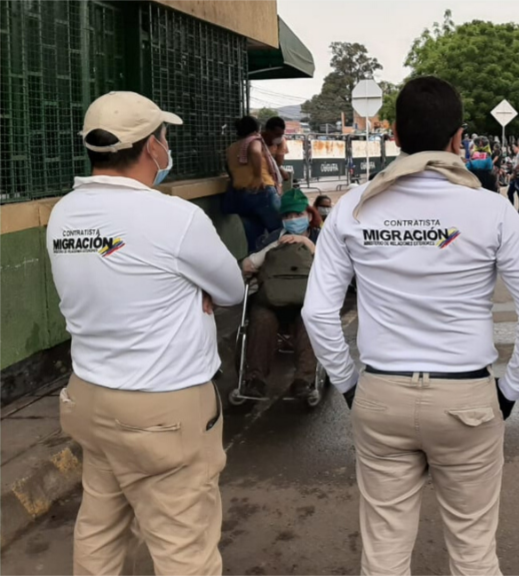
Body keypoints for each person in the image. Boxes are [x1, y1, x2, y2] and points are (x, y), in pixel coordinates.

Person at [303, 76, 519, 576]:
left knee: (384, 553)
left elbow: (317, 312)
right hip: (466, 398)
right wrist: (509, 390)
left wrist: (349, 385)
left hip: (381, 393)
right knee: (474, 552)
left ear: (395, 134)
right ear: (459, 139)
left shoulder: (354, 206)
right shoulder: (492, 209)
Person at [46, 91, 245, 575]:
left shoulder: (63, 215)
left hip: (91, 398)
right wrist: (193, 292)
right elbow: (233, 289)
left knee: (100, 527)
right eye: (163, 137)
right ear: (151, 148)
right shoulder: (175, 218)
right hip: (163, 410)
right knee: (184, 549)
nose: (165, 146)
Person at [240, 189, 320, 399]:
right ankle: (255, 380)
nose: (293, 220)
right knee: (261, 317)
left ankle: (304, 380)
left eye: (298, 214)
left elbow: (337, 270)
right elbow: (247, 265)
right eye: (288, 216)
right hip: (272, 301)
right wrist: (274, 248)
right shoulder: (273, 239)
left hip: (306, 303)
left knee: (310, 318)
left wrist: (308, 245)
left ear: (309, 215)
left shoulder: (322, 238)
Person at [225, 115, 284, 252]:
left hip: (241, 195)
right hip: (262, 192)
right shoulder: (254, 140)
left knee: (254, 238)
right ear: (256, 128)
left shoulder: (233, 147)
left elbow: (228, 167)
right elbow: (255, 151)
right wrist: (258, 176)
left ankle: (254, 268)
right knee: (280, 232)